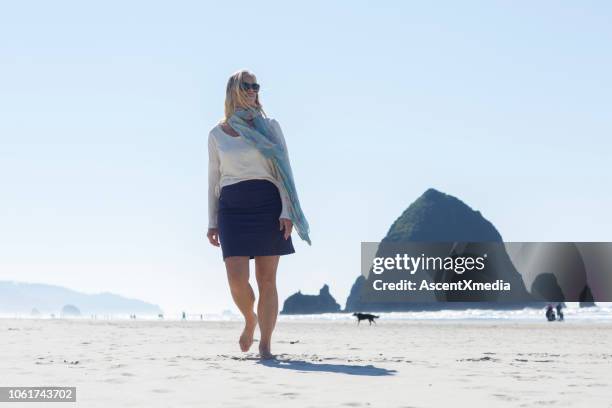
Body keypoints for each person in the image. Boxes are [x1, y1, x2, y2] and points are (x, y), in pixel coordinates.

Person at [206, 69, 310, 360]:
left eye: (256, 86)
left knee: (267, 279)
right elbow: (214, 179)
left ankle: (265, 344)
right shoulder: (217, 134)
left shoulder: (271, 127)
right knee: (236, 279)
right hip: (232, 207)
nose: (253, 90)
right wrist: (212, 221)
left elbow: (284, 172)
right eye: (247, 85)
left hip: (268, 204)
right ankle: (249, 319)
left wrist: (287, 210)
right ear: (234, 91)